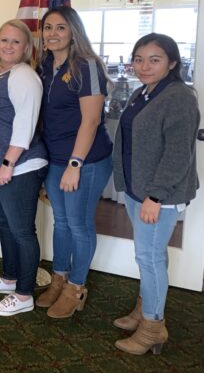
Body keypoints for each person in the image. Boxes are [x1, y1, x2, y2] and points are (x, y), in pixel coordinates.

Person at [112, 33, 199, 355]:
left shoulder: (179, 97)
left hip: (159, 195)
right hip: (140, 189)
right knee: (150, 256)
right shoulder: (142, 92)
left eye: (154, 59)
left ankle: (152, 327)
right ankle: (145, 309)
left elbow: (178, 153)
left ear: (172, 63)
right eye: (138, 59)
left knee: (148, 258)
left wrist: (156, 197)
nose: (144, 66)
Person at [35, 7, 113, 318]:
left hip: (86, 160)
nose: (52, 33)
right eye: (48, 27)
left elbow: (91, 120)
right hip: (54, 158)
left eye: (61, 28)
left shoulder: (86, 65)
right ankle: (59, 278)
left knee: (79, 226)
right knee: (62, 223)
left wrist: (75, 164)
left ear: (74, 32)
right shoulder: (43, 65)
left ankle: (76, 287)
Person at [0, 19, 47, 317]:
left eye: (16, 42)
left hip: (18, 166)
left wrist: (8, 163)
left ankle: (24, 293)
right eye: (4, 40)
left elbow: (24, 124)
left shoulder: (24, 75)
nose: (9, 46)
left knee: (22, 231)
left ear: (27, 47)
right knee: (6, 226)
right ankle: (9, 277)